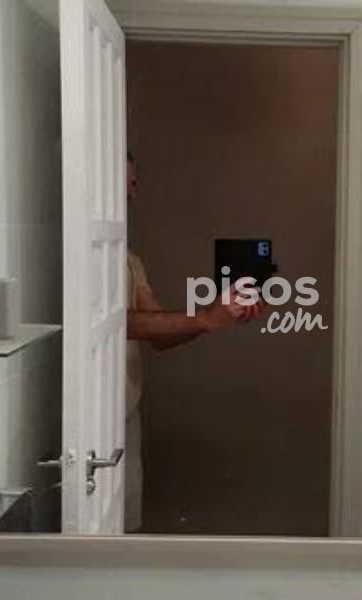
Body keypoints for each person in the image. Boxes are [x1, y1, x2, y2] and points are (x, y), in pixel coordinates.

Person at [124, 152, 263, 532]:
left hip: (125, 413)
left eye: (134, 183)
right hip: (93, 420)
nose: (133, 193)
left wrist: (215, 317)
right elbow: (119, 325)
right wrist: (207, 317)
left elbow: (155, 332)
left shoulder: (129, 261)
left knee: (123, 526)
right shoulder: (89, 262)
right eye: (127, 182)